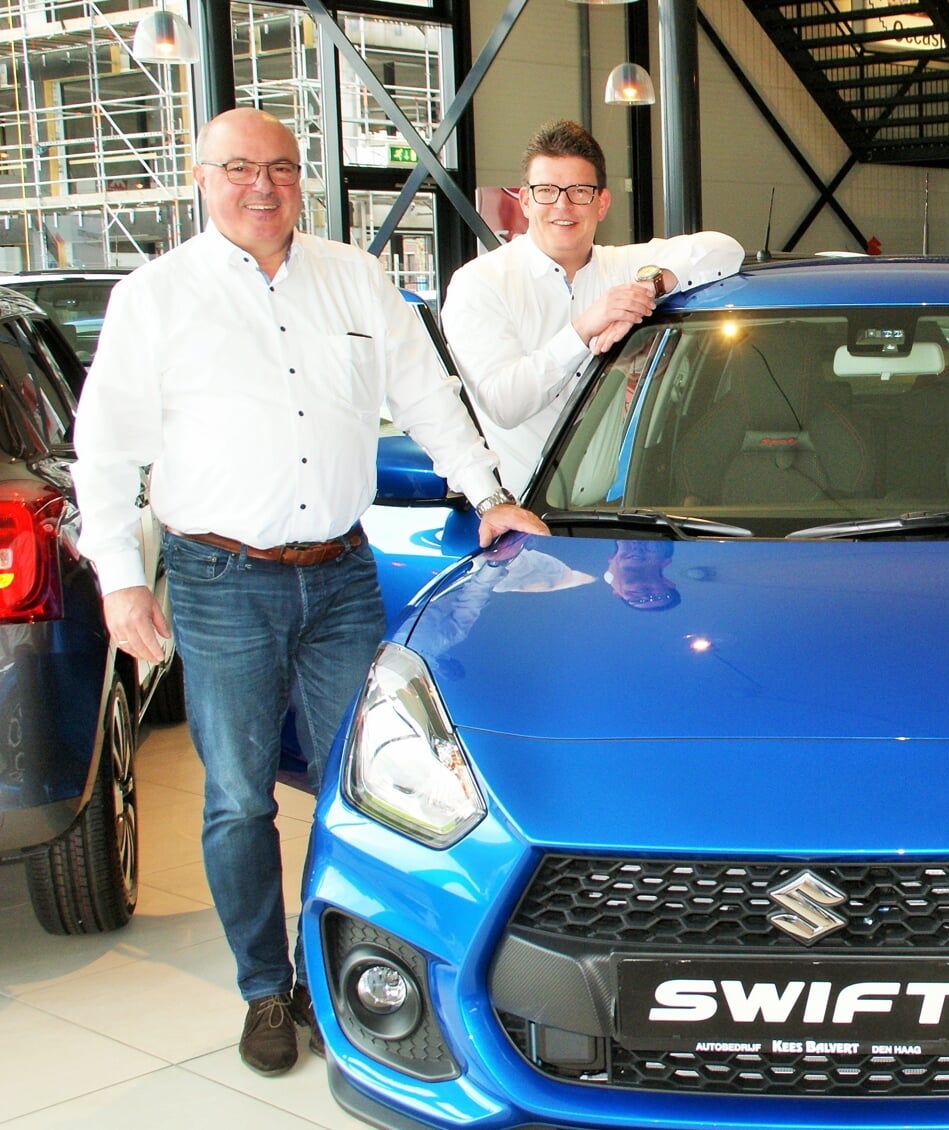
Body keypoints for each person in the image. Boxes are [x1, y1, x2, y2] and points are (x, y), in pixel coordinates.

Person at [71, 108, 547, 1077]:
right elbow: (104, 449)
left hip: (339, 571)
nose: (262, 185)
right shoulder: (155, 298)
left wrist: (491, 496)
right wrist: (122, 581)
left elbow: (426, 397)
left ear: (302, 180)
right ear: (201, 179)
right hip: (219, 579)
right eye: (239, 167)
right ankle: (263, 985)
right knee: (240, 798)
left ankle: (329, 975)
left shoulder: (356, 279)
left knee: (365, 792)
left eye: (281, 167)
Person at [441, 120, 744, 496]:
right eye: (547, 191)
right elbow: (505, 404)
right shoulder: (481, 283)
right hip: (519, 517)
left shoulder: (620, 268)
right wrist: (585, 329)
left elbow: (724, 249)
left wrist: (647, 287)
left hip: (610, 509)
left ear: (601, 203)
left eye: (579, 191)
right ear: (525, 200)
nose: (563, 206)